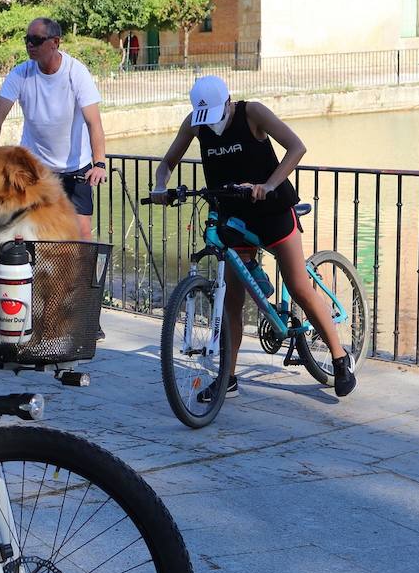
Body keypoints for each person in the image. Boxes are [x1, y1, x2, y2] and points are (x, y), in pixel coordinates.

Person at [151, 75, 357, 398]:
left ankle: (340, 358)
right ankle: (227, 379)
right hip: (234, 217)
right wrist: (161, 186)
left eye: (215, 115)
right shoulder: (195, 123)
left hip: (272, 211)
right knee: (231, 301)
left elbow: (296, 147)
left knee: (299, 287)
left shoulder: (252, 113)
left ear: (228, 101)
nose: (211, 123)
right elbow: (167, 162)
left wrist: (269, 185)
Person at [0, 17, 107, 239]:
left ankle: (83, 265)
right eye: (27, 39)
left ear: (55, 42)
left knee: (81, 234)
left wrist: (99, 163)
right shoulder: (20, 73)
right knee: (32, 234)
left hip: (75, 168)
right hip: (36, 170)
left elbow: (94, 122)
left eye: (37, 40)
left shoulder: (76, 72)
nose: (30, 45)